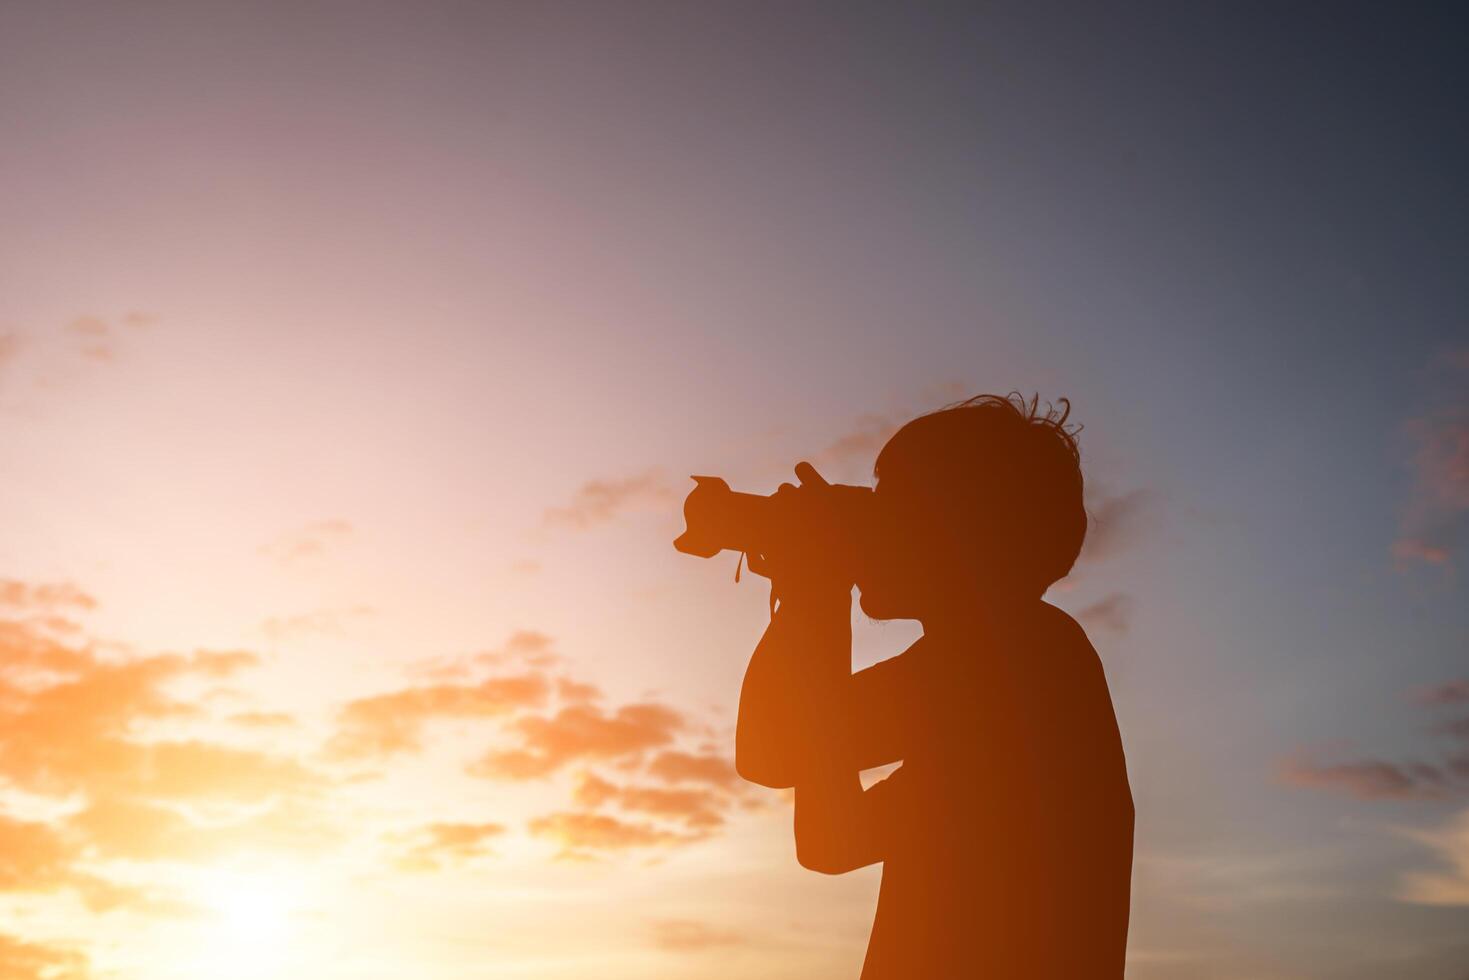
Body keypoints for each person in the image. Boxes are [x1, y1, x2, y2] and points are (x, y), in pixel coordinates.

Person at [735, 393, 1133, 978]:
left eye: (892, 502)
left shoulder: (1017, 658)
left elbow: (775, 750)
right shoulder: (1029, 657)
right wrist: (809, 591)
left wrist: (814, 590)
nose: (870, 521)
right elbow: (830, 839)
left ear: (959, 527)